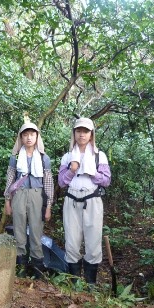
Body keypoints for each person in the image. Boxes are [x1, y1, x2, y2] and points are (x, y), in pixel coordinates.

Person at [58, 117, 111, 286]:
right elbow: (61, 182)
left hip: (92, 200)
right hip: (71, 200)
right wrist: (73, 170)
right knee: (72, 243)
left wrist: (92, 173)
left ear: (91, 134)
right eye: (79, 131)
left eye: (86, 131)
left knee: (93, 242)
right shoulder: (67, 157)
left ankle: (90, 286)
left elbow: (106, 180)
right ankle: (74, 284)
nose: (82, 134)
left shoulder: (99, 156)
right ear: (74, 133)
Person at [3, 122, 54, 278]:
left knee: (36, 232)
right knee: (19, 230)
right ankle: (21, 268)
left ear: (37, 136)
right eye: (25, 135)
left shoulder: (44, 158)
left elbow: (48, 182)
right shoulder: (16, 157)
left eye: (32, 134)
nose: (29, 138)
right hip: (19, 194)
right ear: (21, 137)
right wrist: (7, 201)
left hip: (37, 196)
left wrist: (48, 206)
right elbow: (10, 178)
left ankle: (37, 269)